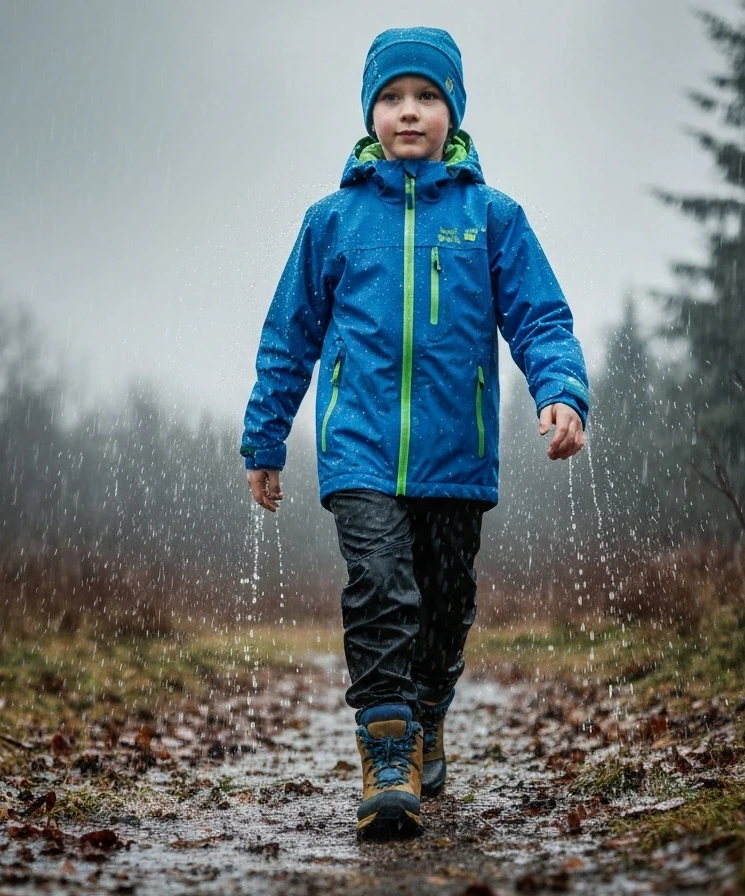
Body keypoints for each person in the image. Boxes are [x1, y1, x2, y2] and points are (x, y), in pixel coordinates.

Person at [240, 26, 589, 838]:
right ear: (369, 114)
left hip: (455, 454)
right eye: (392, 98)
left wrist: (562, 390)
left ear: (453, 112)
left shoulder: (491, 217)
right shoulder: (331, 222)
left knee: (445, 601)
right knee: (379, 589)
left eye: (427, 97)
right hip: (357, 447)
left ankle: (429, 710)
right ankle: (387, 753)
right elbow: (288, 335)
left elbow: (540, 317)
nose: (408, 112)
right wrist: (264, 438)